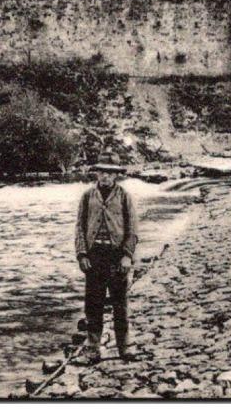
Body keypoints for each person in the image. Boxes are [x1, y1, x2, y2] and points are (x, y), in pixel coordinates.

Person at [75, 153, 139, 363]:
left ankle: (124, 347)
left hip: (116, 256)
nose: (105, 176)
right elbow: (80, 228)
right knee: (93, 303)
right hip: (94, 256)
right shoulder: (87, 196)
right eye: (102, 172)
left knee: (120, 303)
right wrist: (82, 254)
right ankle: (93, 348)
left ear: (116, 175)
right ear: (97, 173)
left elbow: (133, 229)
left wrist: (127, 255)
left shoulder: (124, 196)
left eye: (110, 172)